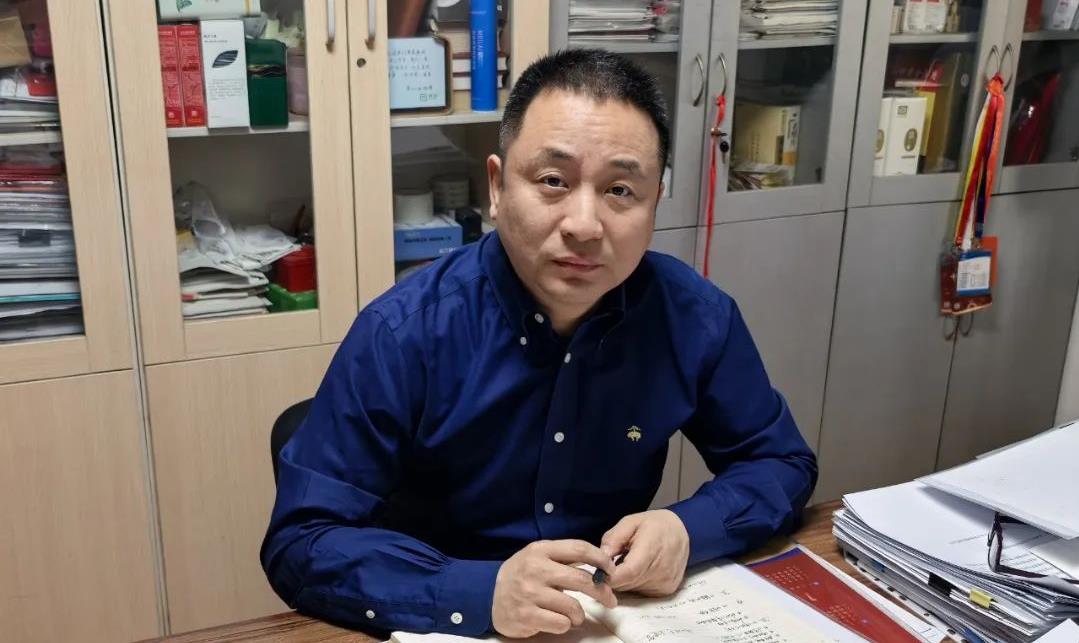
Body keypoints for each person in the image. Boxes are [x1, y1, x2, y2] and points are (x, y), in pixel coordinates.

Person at [261, 48, 817, 639]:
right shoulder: (402, 333)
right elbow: (303, 540)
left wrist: (688, 529)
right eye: (553, 181)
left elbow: (780, 461)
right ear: (497, 186)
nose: (584, 225)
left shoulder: (695, 318)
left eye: (620, 190)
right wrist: (479, 591)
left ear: (654, 202)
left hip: (607, 617)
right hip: (442, 624)